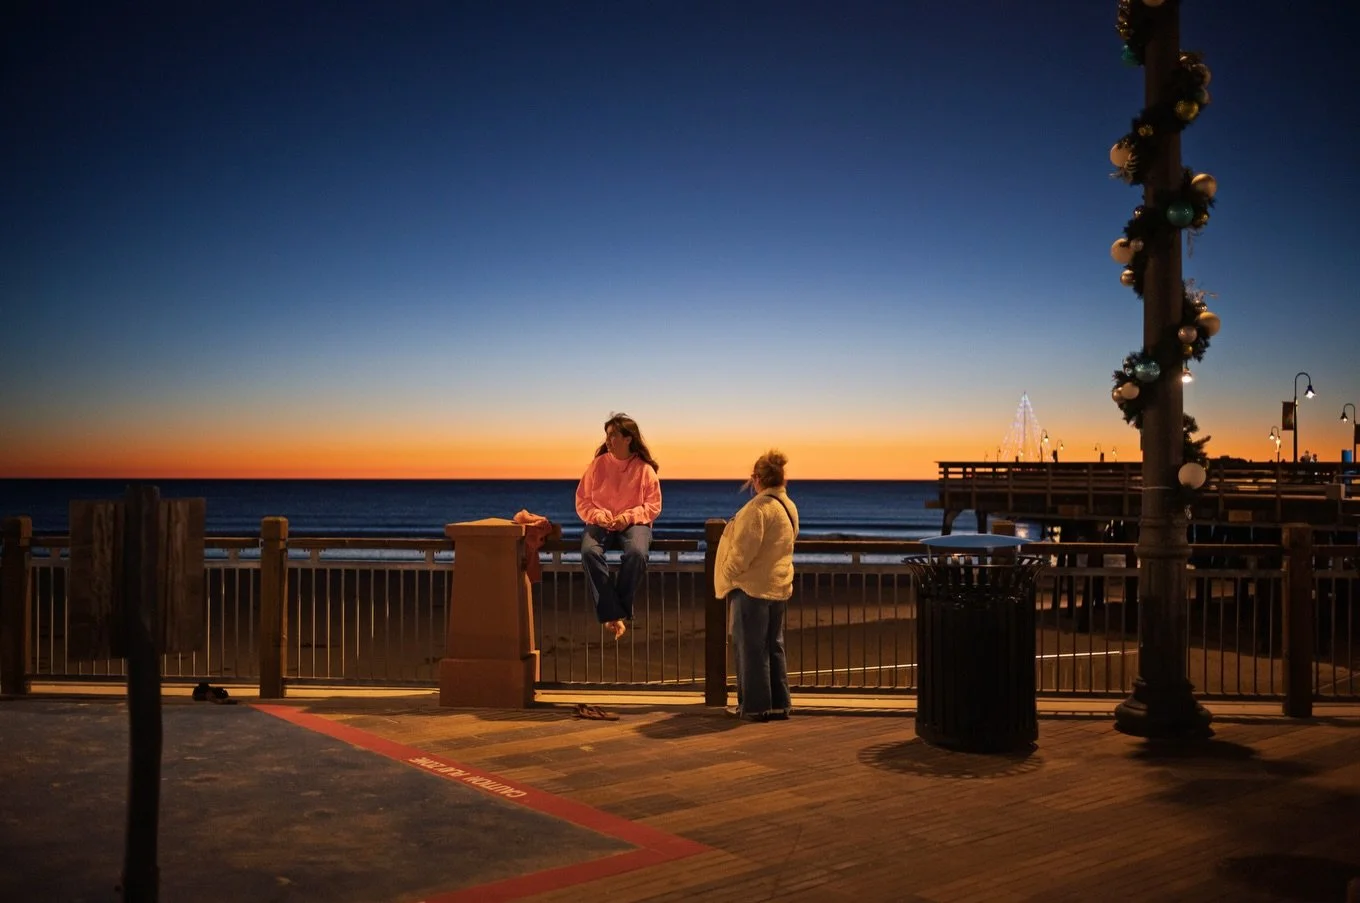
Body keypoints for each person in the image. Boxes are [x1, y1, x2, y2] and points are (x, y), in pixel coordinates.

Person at [715, 450, 799, 723]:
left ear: (756, 479)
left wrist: (727, 575)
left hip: (752, 588)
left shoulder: (758, 509)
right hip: (778, 585)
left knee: (750, 648)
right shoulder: (788, 506)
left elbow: (742, 554)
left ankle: (754, 706)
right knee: (773, 645)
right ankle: (779, 703)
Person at [576, 413, 662, 640]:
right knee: (588, 552)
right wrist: (597, 514)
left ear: (628, 438)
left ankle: (615, 612)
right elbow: (582, 501)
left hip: (633, 523)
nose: (608, 440)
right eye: (607, 435)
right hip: (600, 522)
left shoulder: (644, 470)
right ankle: (615, 613)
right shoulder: (596, 466)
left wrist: (628, 517)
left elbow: (653, 506)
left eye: (614, 435)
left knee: (637, 553)